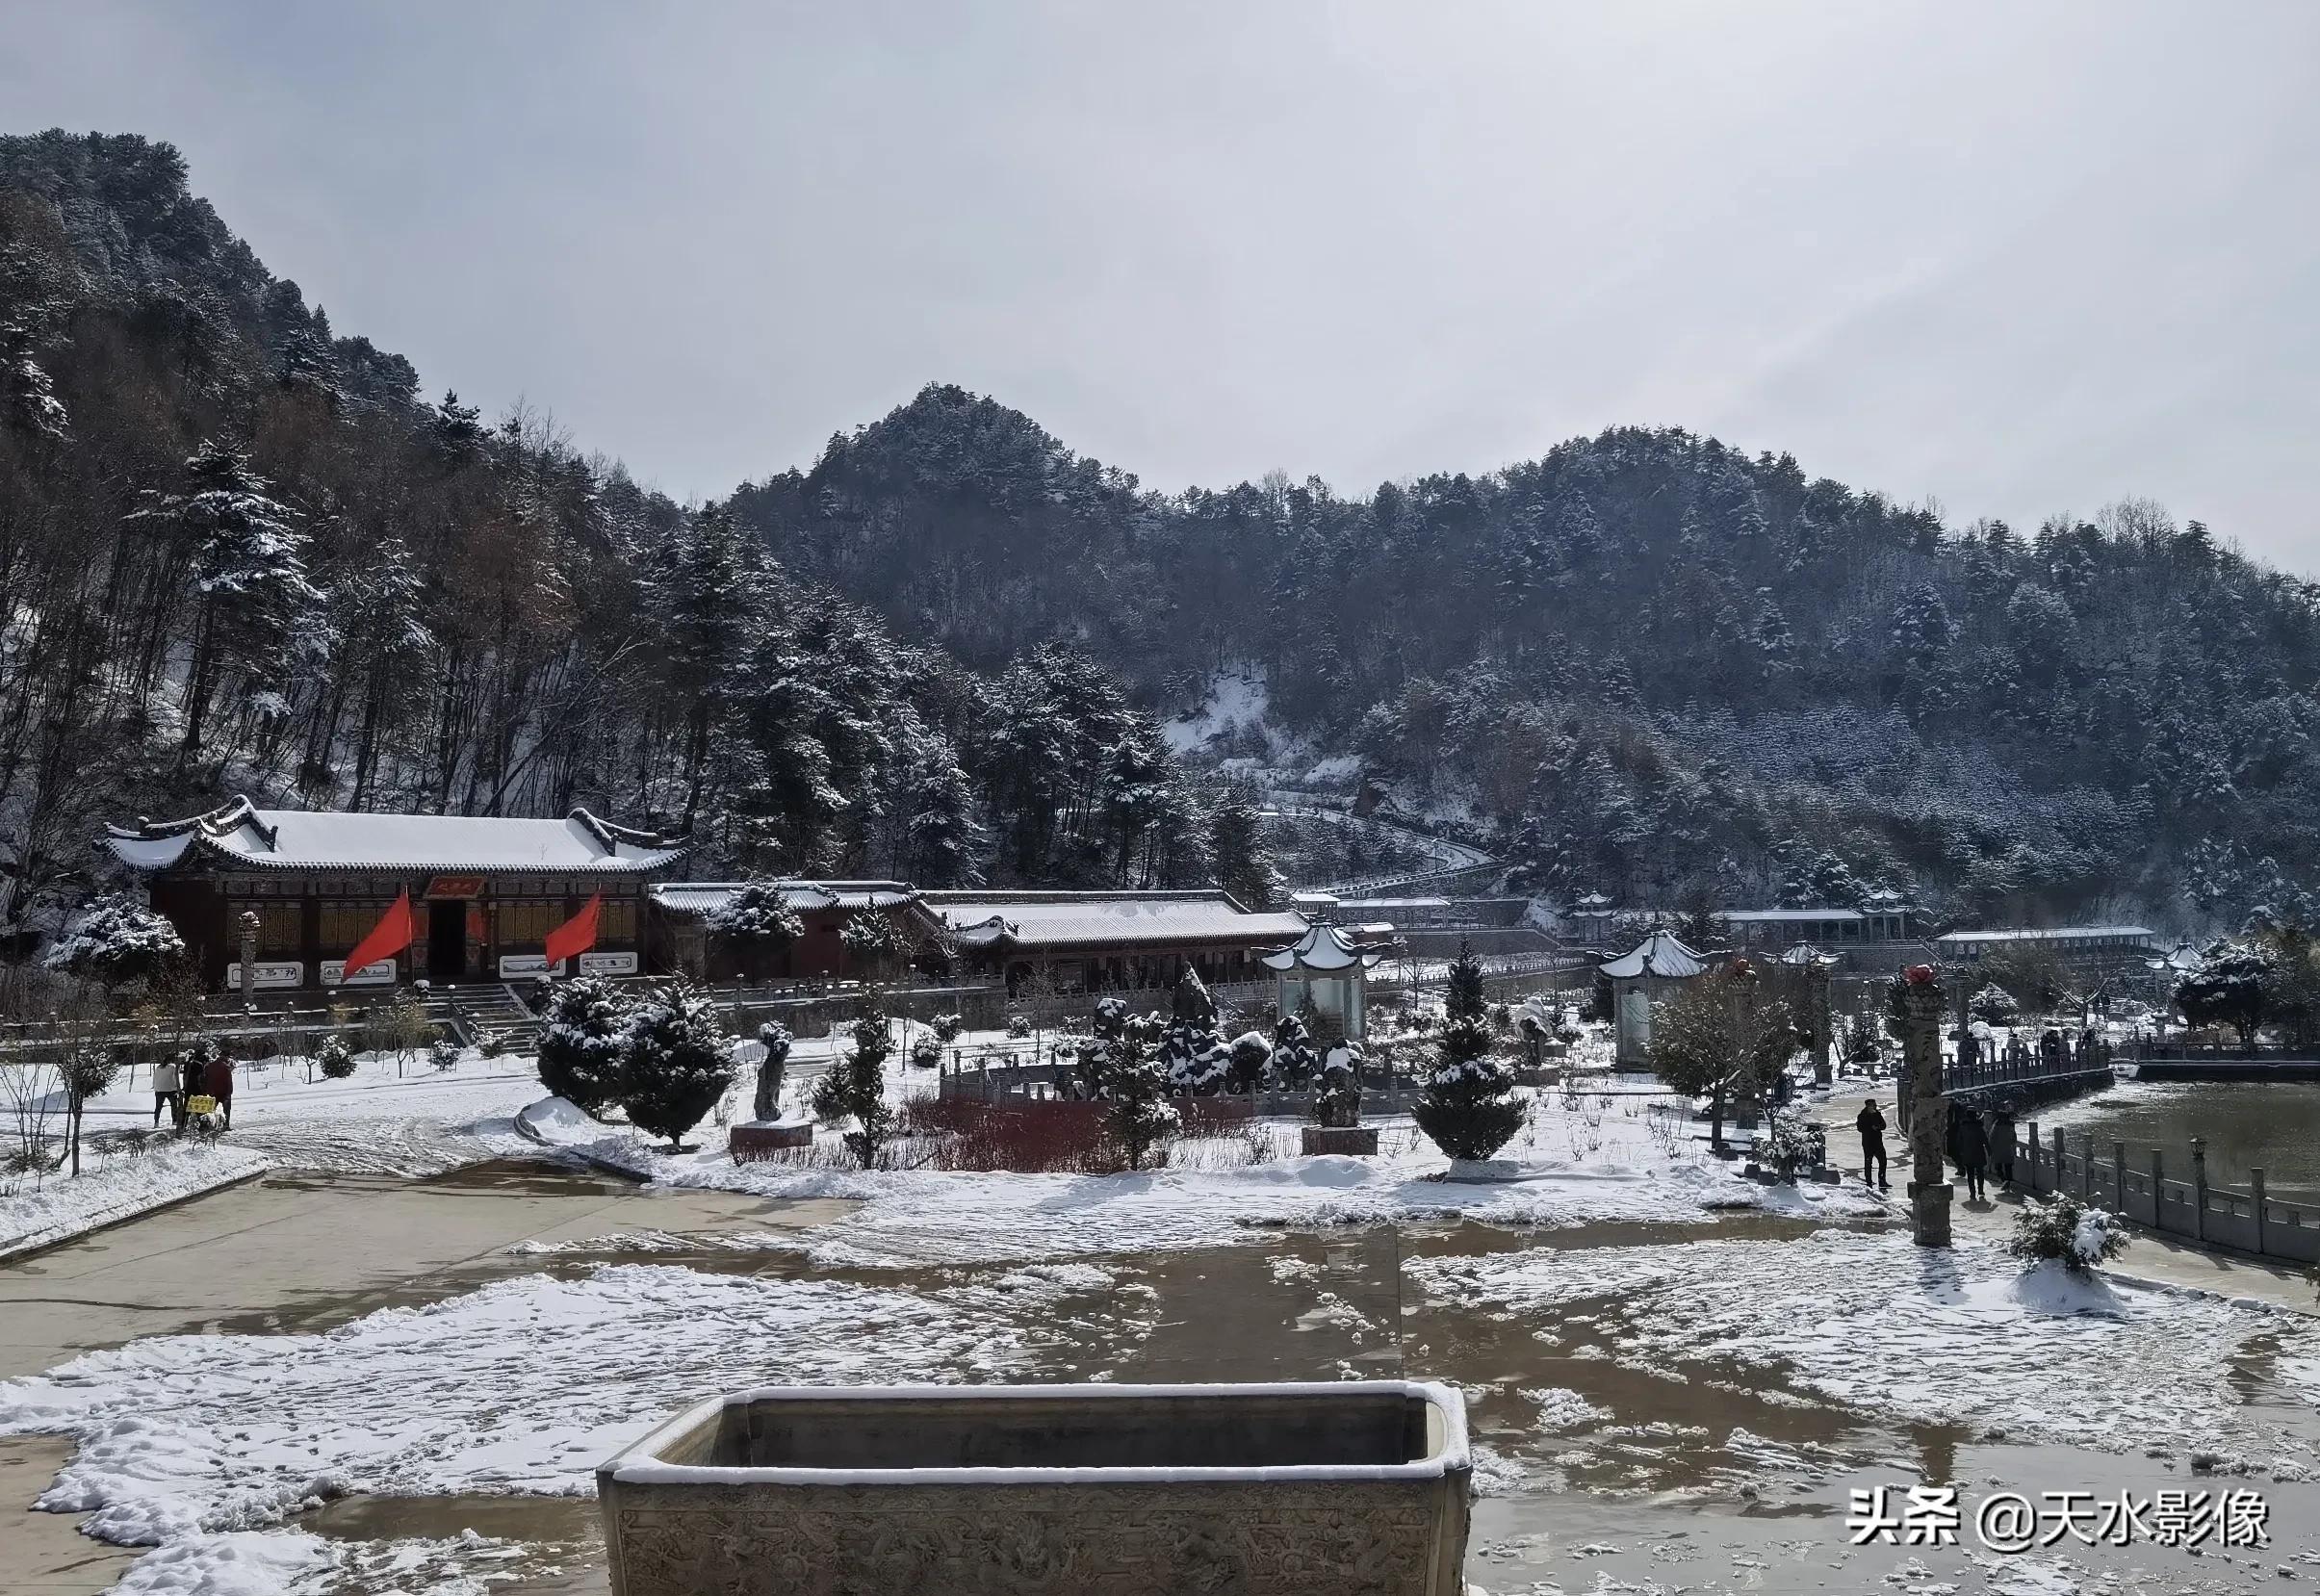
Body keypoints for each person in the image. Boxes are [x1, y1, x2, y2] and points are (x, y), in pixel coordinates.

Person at [1953, 1105, 1990, 1202]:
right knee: (1980, 1173)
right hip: (1979, 1153)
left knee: (1970, 1174)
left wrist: (1959, 1153)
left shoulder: (1963, 1127)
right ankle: (1981, 1191)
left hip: (1967, 1153)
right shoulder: (1979, 1126)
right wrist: (1989, 1150)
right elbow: (1985, 1140)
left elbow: (1959, 1141)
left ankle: (1972, 1193)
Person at [1855, 1098, 1889, 1190]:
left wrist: (1877, 1127)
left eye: (1875, 1105)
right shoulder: (1862, 1116)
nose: (1875, 1107)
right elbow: (1860, 1128)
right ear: (1868, 1106)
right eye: (1873, 1105)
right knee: (1868, 1162)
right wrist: (1870, 1127)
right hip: (1868, 1142)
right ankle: (1869, 1182)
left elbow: (1884, 1125)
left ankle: (1882, 1180)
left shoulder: (1877, 1114)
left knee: (1883, 1161)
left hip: (1878, 1141)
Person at [200, 1047, 236, 1131]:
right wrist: (229, 1092)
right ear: (226, 1057)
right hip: (224, 1093)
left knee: (209, 1110)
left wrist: (207, 1090)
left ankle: (206, 1125)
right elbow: (228, 1081)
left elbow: (206, 1078)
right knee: (226, 1110)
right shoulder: (226, 1067)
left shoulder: (210, 1065)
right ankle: (225, 1125)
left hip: (212, 1092)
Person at [1988, 1103, 2018, 1188]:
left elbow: (1991, 1137)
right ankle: (2008, 1182)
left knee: (1998, 1167)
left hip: (1998, 1150)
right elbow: (2014, 1137)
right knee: (2008, 1167)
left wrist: (1990, 1148)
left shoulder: (1996, 1125)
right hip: (2008, 1149)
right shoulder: (2011, 1125)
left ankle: (2004, 1180)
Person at [150, 1054, 184, 1128]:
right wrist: (177, 1088)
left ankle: (156, 1122)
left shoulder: (158, 1067)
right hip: (170, 1089)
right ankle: (174, 1120)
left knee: (158, 1107)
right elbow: (175, 1078)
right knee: (174, 1105)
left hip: (159, 1089)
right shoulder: (173, 1067)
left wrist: (155, 1087)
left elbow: (155, 1078)